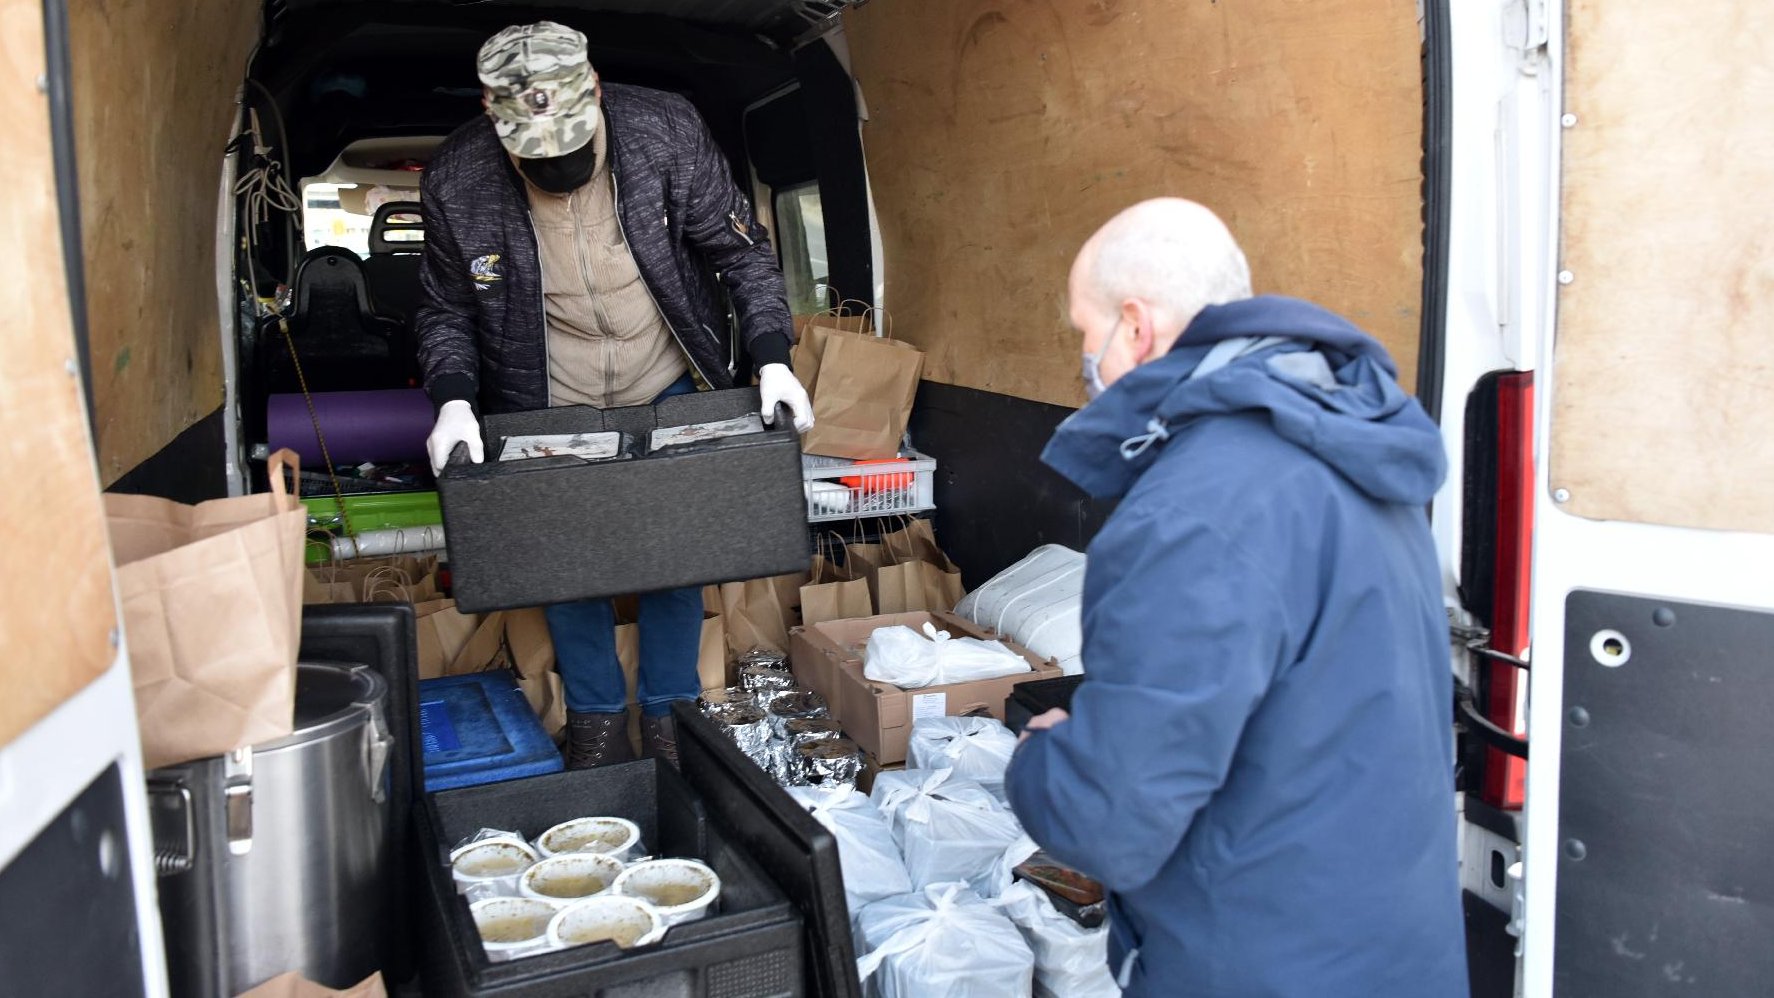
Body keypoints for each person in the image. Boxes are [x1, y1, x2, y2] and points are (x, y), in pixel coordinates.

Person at [1004, 198, 1468, 996]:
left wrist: (1042, 757)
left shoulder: (1190, 512)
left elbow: (1110, 822)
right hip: (1394, 946)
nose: (1089, 360)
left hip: (1259, 962)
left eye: (1088, 335)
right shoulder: (1354, 450)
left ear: (1136, 327)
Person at [413, 21, 814, 768]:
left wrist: (771, 358)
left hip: (663, 368)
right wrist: (455, 400)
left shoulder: (664, 130)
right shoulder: (458, 176)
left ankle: (670, 716)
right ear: (493, 118)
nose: (561, 167)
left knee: (673, 551)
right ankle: (597, 723)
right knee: (569, 561)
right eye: (540, 157)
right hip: (545, 388)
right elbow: (445, 308)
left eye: (574, 148)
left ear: (595, 92)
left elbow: (741, 252)